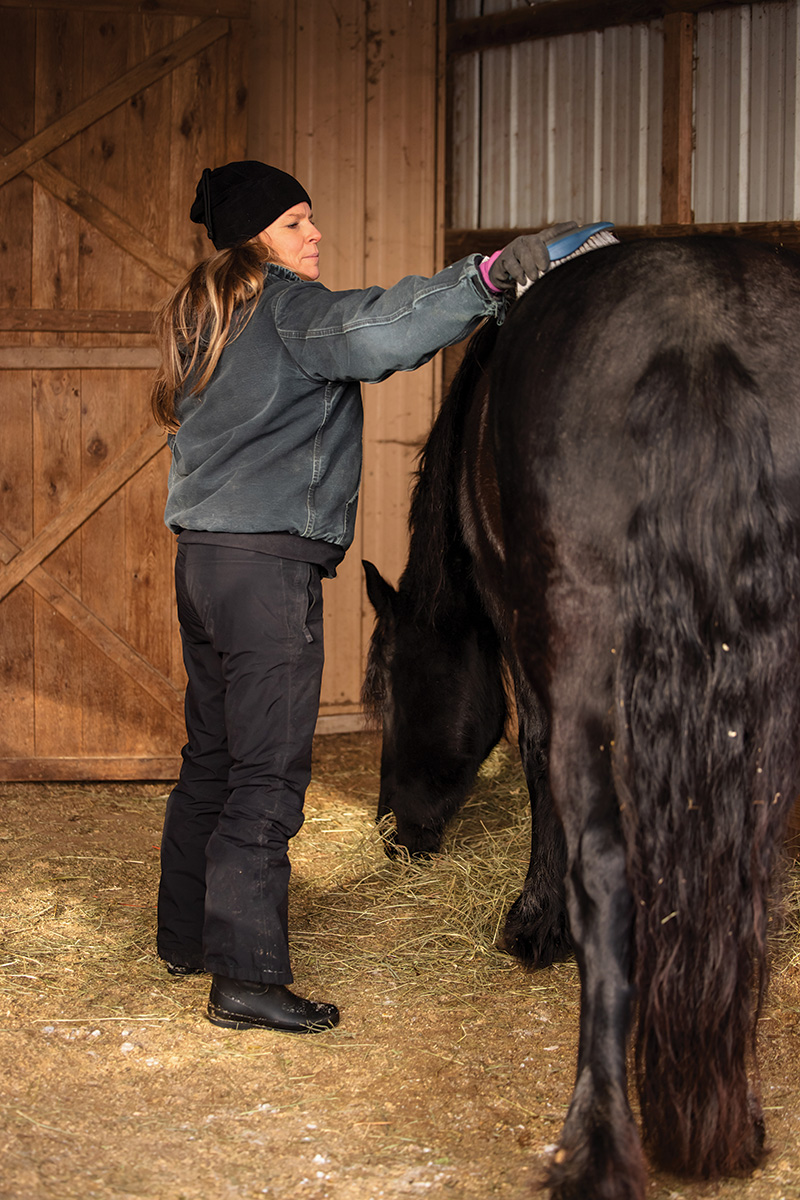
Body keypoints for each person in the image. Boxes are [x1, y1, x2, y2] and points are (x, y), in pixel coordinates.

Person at [151, 159, 576, 1033]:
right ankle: (247, 977)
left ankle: (184, 936)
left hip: (203, 567)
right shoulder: (290, 308)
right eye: (298, 222)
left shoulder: (211, 319)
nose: (315, 236)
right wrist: (488, 277)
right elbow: (381, 328)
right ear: (256, 236)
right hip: (266, 575)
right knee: (266, 776)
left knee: (212, 759)